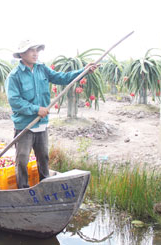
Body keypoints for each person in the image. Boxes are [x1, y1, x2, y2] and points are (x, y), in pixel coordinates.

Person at [5, 40, 98, 189]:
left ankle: (45, 187)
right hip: (25, 126)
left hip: (41, 125)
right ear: (22, 54)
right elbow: (15, 101)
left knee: (44, 158)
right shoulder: (14, 76)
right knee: (22, 160)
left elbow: (62, 78)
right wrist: (36, 109)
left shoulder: (42, 69)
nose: (35, 54)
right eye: (31, 51)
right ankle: (22, 189)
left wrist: (83, 71)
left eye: (37, 50)